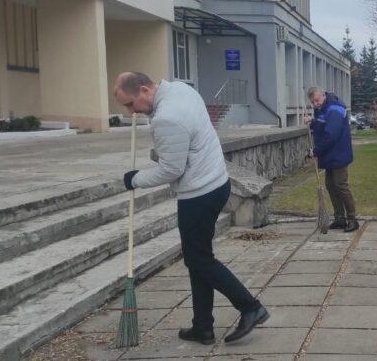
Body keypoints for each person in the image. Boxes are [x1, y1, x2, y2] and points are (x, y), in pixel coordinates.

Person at [113, 72, 268, 345]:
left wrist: (134, 179)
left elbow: (171, 170)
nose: (130, 111)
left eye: (130, 104)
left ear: (144, 90)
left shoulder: (166, 117)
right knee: (198, 259)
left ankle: (250, 307)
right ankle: (203, 327)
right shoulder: (180, 90)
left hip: (199, 194)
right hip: (216, 182)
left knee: (199, 261)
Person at [304, 87, 359, 232]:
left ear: (323, 95)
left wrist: (315, 151)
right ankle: (340, 219)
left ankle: (352, 219)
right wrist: (312, 122)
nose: (315, 104)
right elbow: (322, 124)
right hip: (330, 155)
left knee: (340, 185)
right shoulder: (322, 108)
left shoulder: (335, 109)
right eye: (312, 102)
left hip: (338, 153)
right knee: (331, 185)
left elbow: (331, 135)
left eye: (317, 100)